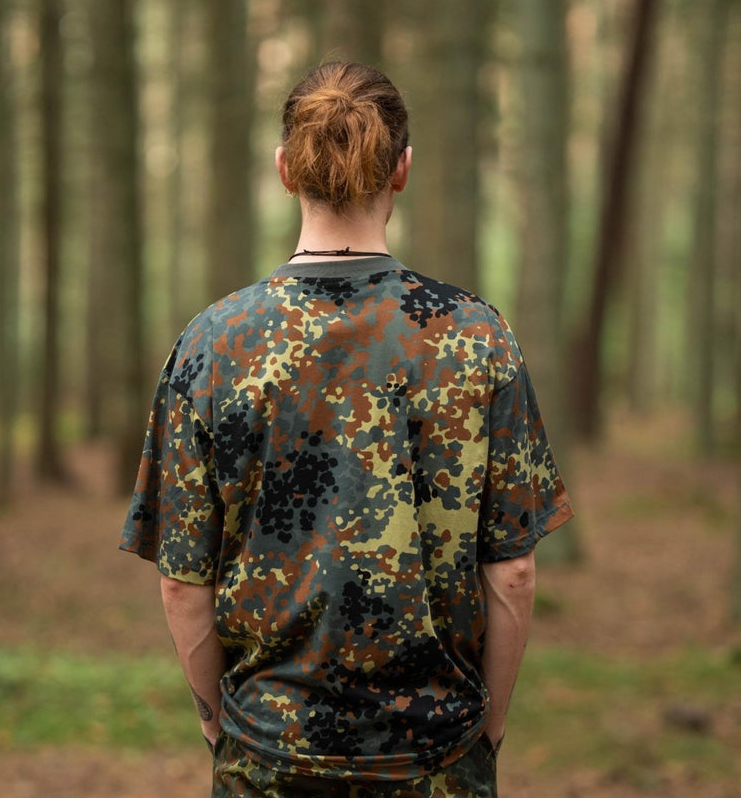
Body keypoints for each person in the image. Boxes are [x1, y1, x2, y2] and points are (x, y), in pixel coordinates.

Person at [119, 61, 573, 798]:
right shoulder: (477, 337)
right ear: (402, 170)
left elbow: (182, 580)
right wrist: (484, 737)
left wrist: (220, 729)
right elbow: (513, 571)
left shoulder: (213, 344)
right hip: (434, 756)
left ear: (283, 170)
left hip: (267, 754)